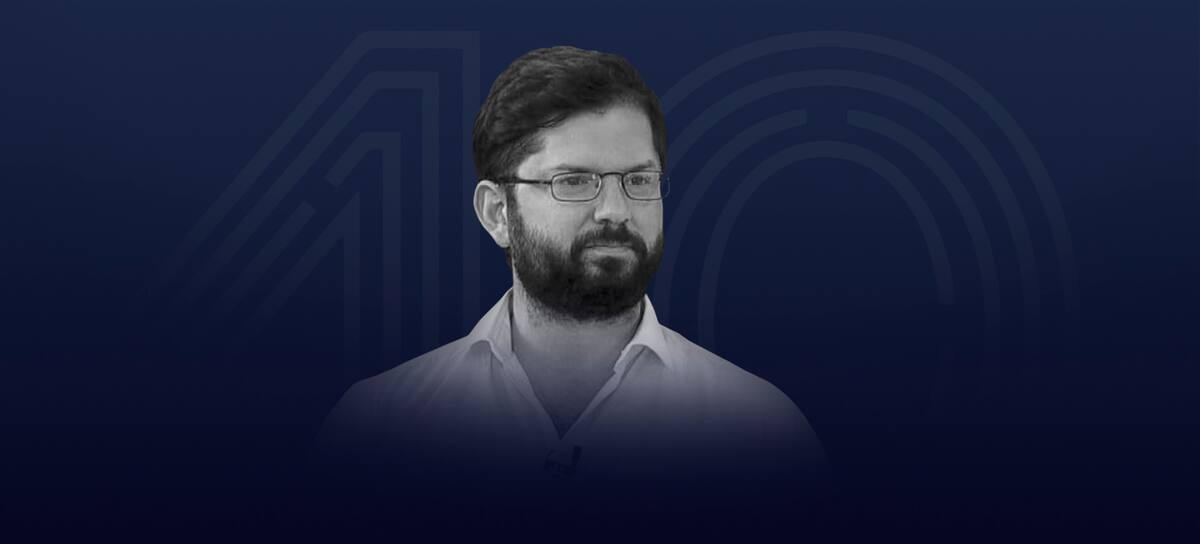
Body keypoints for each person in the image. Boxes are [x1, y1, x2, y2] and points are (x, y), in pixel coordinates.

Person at [315, 45, 828, 516]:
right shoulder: (376, 431)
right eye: (574, 181)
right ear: (497, 213)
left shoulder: (764, 434)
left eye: (639, 180)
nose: (615, 210)